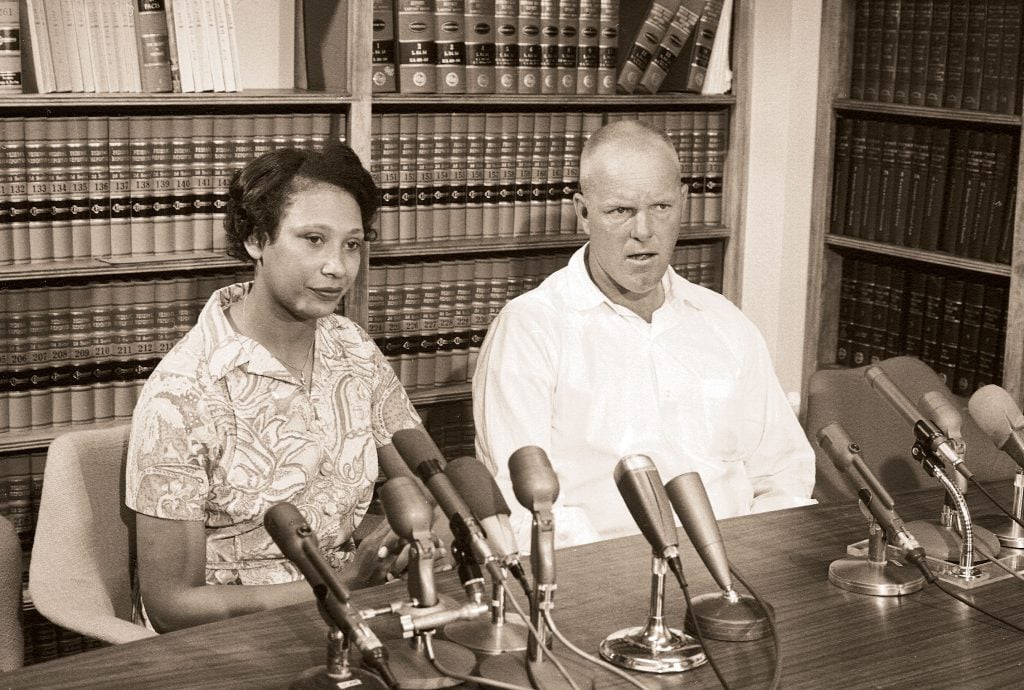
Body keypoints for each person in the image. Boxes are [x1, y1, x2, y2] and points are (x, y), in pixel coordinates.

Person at [125, 143, 428, 632]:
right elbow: (171, 605)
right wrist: (342, 581)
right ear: (255, 240)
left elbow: (424, 479)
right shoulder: (182, 394)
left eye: (352, 244)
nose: (338, 266)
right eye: (314, 239)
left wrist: (417, 537)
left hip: (356, 614)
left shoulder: (353, 347)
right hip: (234, 639)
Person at [473, 120, 816, 549]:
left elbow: (784, 473)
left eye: (661, 207)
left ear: (684, 204)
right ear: (583, 213)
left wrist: (754, 561)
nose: (644, 231)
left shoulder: (724, 322)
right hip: (603, 579)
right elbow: (525, 508)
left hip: (740, 568)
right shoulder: (529, 330)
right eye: (620, 211)